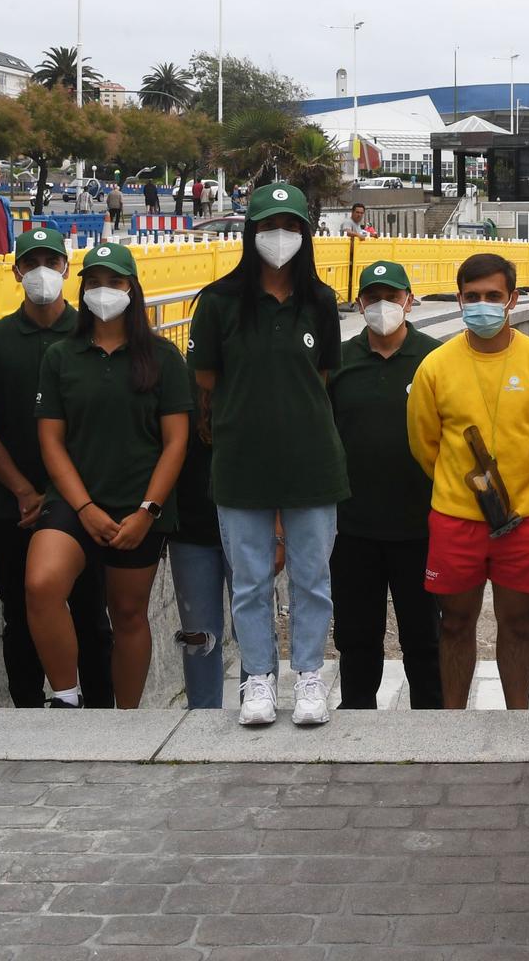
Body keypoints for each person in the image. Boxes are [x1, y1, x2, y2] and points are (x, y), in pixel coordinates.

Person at [189, 183, 348, 728]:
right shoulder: (217, 303)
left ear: (305, 233)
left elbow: (322, 376)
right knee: (251, 579)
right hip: (240, 461)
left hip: (312, 462)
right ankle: (257, 678)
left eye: (290, 226)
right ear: (249, 232)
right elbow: (207, 377)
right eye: (266, 226)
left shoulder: (321, 302)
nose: (278, 237)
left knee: (311, 577)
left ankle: (308, 676)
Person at [31, 242, 193, 708]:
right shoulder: (61, 356)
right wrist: (83, 507)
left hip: (139, 507)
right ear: (81, 290)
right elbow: (51, 441)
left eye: (115, 282)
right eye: (94, 283)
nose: (104, 292)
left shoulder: (162, 358)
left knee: (127, 613)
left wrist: (148, 510)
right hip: (74, 502)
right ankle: (66, 699)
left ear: (133, 289)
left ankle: (126, 719)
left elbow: (176, 442)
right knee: (42, 585)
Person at [408, 253, 529, 710]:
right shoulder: (434, 368)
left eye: (493, 296)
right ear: (458, 300)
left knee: (518, 623)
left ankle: (518, 719)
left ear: (513, 299)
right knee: (455, 622)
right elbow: (426, 445)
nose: (483, 305)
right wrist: (464, 489)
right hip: (457, 519)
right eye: (473, 297)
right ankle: (454, 722)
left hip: (525, 519)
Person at [0, 227, 113, 708]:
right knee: (19, 619)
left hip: (82, 508)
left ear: (66, 269)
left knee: (91, 619)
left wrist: (75, 500)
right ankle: (29, 716)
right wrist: (20, 489)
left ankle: (100, 715)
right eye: (30, 263)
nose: (41, 273)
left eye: (50, 262)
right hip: (11, 507)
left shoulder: (92, 335)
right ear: (15, 271)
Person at [329, 260, 442, 709]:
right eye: (372, 298)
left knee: (423, 636)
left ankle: (433, 723)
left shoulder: (435, 359)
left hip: (421, 525)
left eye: (391, 297)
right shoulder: (338, 363)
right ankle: (357, 719)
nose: (382, 306)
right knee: (356, 637)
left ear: (409, 301)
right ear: (359, 303)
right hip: (353, 527)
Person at [168, 413, 230, 709]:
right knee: (198, 637)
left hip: (250, 523)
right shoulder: (174, 373)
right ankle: (200, 724)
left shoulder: (249, 373)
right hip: (189, 526)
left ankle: (261, 722)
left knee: (255, 628)